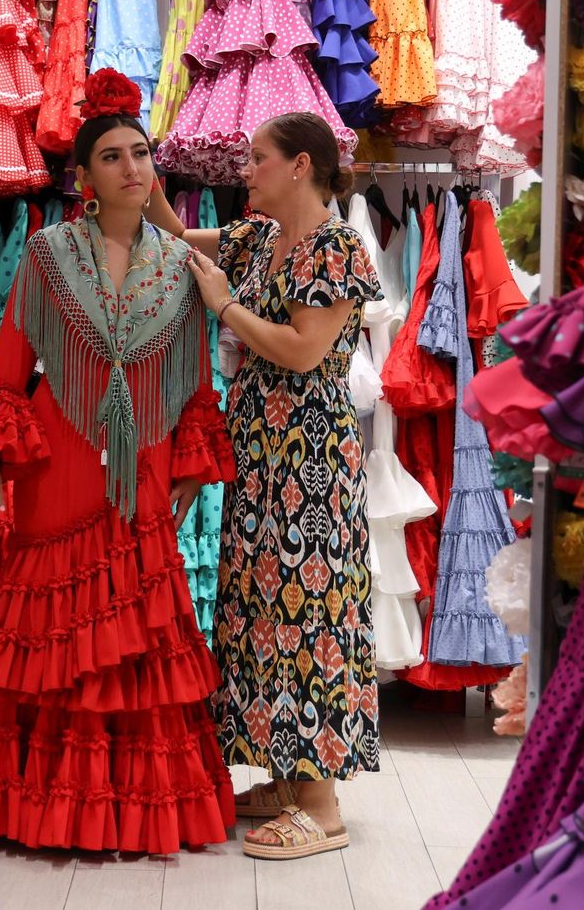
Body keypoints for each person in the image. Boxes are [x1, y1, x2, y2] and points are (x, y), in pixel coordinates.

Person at [0, 69, 239, 853]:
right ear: (86, 176)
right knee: (43, 629)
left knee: (134, 636)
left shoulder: (181, 264)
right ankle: (29, 807)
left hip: (147, 462)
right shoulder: (46, 252)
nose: (134, 169)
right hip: (56, 452)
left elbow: (195, 376)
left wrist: (192, 470)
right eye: (114, 157)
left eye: (142, 154)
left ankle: (126, 810)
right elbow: (10, 359)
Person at [147, 112, 383, 861]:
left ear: (301, 166)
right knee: (261, 611)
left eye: (257, 159)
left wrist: (224, 307)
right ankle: (285, 781)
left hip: (309, 457)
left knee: (307, 613)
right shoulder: (259, 238)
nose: (245, 170)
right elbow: (177, 240)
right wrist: (139, 165)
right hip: (260, 453)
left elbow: (303, 350)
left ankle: (323, 806)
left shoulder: (335, 246)